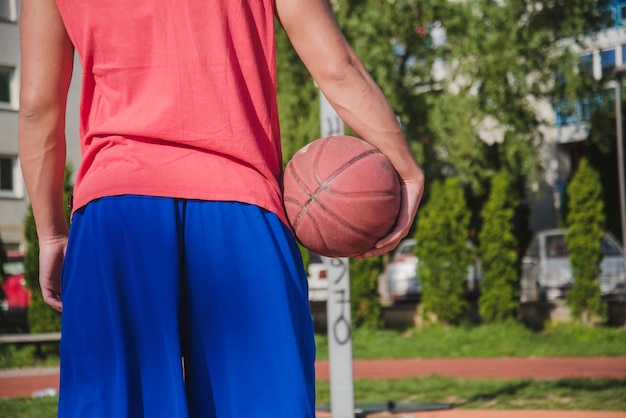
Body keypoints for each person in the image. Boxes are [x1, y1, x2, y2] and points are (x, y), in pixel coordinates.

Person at [19, 0, 424, 416]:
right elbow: (336, 68)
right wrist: (406, 169)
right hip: (240, 209)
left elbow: (37, 107)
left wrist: (51, 233)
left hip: (117, 214)